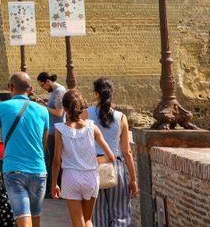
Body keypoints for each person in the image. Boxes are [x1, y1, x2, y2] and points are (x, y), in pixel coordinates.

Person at [0, 72, 50, 227]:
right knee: (35, 217)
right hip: (38, 170)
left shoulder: (2, 108)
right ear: (31, 89)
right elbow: (44, 144)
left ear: (10, 87)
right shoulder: (43, 111)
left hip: (14, 171)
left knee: (23, 217)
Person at [51, 89, 116, 227]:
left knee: (77, 222)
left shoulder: (60, 129)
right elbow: (111, 157)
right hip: (91, 177)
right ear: (80, 107)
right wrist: (96, 161)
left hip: (70, 177)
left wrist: (53, 184)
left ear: (64, 108)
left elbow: (57, 161)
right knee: (87, 220)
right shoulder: (92, 128)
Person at [88, 78, 138, 227]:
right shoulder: (121, 117)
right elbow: (127, 151)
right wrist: (133, 179)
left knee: (98, 215)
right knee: (120, 214)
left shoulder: (85, 114)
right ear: (112, 93)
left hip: (94, 166)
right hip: (116, 166)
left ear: (96, 94)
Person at [38, 71, 67, 195]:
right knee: (51, 160)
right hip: (53, 129)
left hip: (56, 130)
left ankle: (54, 189)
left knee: (53, 161)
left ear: (48, 82)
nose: (43, 88)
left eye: (42, 85)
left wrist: (44, 107)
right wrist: (44, 104)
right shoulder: (55, 91)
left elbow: (59, 113)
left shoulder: (59, 91)